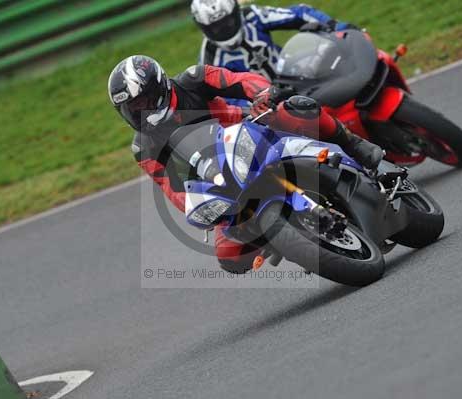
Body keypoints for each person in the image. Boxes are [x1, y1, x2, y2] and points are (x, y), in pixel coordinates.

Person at [108, 55, 382, 273]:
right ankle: (289, 239)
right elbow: (172, 189)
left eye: (141, 102)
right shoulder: (143, 147)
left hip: (249, 131)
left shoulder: (193, 79)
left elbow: (240, 80)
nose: (137, 111)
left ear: (159, 87)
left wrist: (261, 94)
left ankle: (353, 145)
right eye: (129, 109)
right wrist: (198, 207)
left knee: (293, 108)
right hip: (221, 178)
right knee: (230, 257)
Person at [191, 0, 357, 79]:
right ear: (203, 27)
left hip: (296, 75)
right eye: (216, 27)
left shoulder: (252, 16)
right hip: (265, 111)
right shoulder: (209, 60)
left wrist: (336, 27)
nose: (224, 29)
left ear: (236, 13)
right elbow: (219, 99)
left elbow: (298, 13)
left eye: (228, 22)